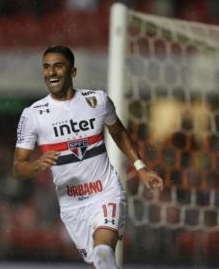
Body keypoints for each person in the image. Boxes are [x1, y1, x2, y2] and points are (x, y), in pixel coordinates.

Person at [13, 45, 163, 268]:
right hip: (71, 205)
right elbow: (18, 168)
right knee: (98, 263)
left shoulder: (98, 101)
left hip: (105, 192)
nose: (51, 72)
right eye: (46, 67)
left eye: (58, 66)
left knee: (103, 252)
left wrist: (140, 166)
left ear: (72, 72)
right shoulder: (33, 115)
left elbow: (118, 132)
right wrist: (37, 165)